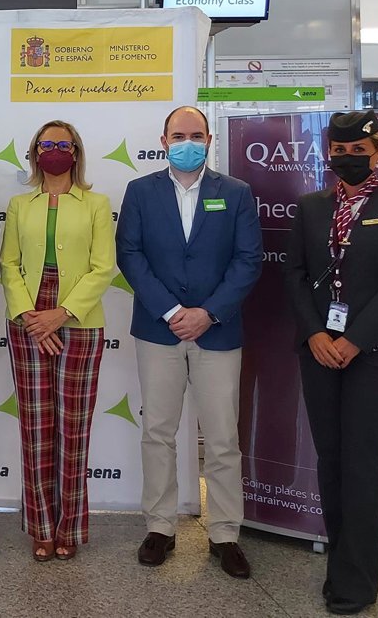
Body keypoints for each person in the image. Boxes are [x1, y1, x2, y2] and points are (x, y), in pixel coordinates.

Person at [285, 110, 378, 615]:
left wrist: (355, 340)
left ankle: (357, 581)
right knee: (332, 461)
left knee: (365, 466)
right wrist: (316, 333)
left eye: (358, 151)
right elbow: (296, 274)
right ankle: (339, 565)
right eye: (339, 151)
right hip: (319, 350)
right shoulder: (311, 207)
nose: (347, 158)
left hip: (376, 354)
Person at [115, 106, 262, 579]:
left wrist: (208, 312)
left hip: (218, 330)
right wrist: (172, 311)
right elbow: (130, 255)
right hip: (159, 329)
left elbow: (248, 260)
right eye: (178, 136)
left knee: (222, 437)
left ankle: (225, 533)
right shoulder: (140, 191)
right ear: (163, 141)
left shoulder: (235, 193)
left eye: (196, 135)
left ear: (209, 140)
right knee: (158, 431)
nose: (187, 143)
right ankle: (160, 526)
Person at [0, 120, 115, 562]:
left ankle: (69, 527)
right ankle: (41, 528)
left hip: (78, 319)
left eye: (62, 145)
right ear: (34, 153)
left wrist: (61, 314)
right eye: (45, 144)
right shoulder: (19, 204)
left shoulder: (97, 204)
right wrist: (31, 316)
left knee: (73, 429)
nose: (53, 151)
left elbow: (103, 267)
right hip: (28, 319)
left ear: (75, 153)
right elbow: (9, 264)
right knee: (35, 428)